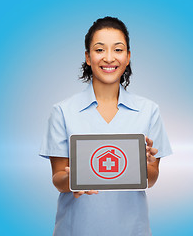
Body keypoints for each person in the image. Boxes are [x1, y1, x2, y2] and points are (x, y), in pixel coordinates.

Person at [39, 16, 172, 236]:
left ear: (128, 57)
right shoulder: (63, 111)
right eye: (100, 50)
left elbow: (151, 178)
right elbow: (58, 179)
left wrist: (145, 164)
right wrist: (74, 180)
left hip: (131, 230)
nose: (109, 58)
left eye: (118, 50)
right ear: (88, 57)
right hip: (76, 230)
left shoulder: (149, 110)